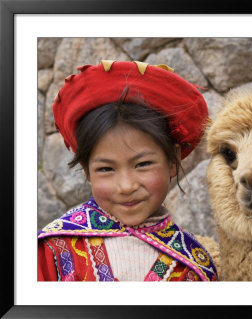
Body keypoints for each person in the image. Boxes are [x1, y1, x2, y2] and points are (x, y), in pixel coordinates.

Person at [38, 60, 217, 281]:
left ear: (173, 160)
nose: (126, 186)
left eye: (142, 164)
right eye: (105, 169)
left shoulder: (194, 267)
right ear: (86, 171)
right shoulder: (52, 251)